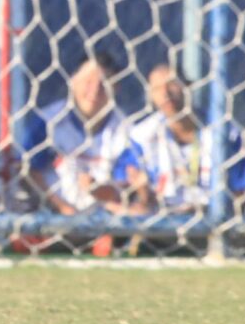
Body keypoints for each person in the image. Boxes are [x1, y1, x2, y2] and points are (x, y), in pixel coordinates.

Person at [18, 46, 148, 215]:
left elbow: (128, 184)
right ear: (73, 81)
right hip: (50, 217)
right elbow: (27, 172)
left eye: (103, 84)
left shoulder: (127, 130)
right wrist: (62, 207)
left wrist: (97, 190)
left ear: (116, 88)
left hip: (107, 221)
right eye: (88, 82)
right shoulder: (48, 122)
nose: (94, 90)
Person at [126, 62, 245, 213]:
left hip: (212, 223)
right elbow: (130, 182)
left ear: (187, 86)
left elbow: (242, 191)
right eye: (157, 89)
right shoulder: (142, 136)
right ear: (150, 95)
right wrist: (144, 195)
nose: (165, 94)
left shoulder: (226, 133)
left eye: (172, 84)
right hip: (161, 224)